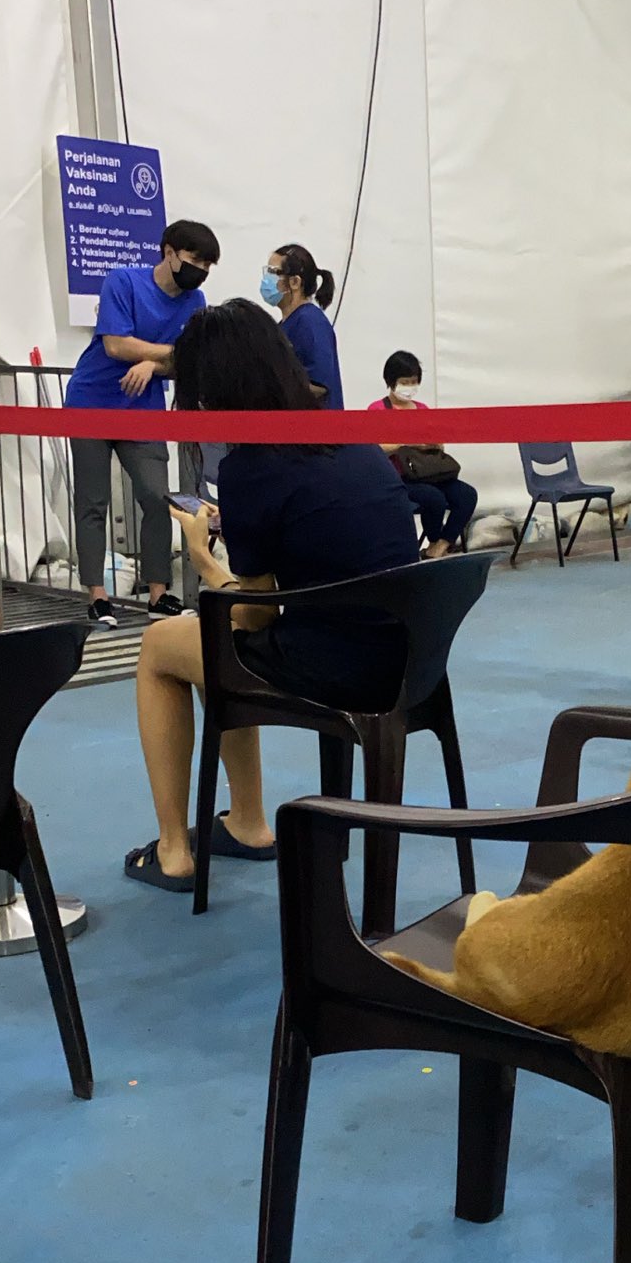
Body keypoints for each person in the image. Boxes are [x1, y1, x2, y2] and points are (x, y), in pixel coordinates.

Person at [124, 300, 419, 892]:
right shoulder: (350, 439)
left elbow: (253, 617)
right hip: (414, 655)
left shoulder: (251, 467)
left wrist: (205, 557)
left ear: (211, 394)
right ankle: (247, 822)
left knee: (162, 647)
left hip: (339, 666)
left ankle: (175, 848)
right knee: (211, 648)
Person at [65, 219, 220, 628]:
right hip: (91, 402)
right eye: (194, 259)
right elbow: (116, 344)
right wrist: (170, 355)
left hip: (144, 409)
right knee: (93, 502)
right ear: (169, 252)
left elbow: (194, 360)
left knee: (156, 498)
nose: (200, 269)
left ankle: (158, 594)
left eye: (208, 264)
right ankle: (97, 595)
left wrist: (152, 362)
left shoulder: (196, 300)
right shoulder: (123, 282)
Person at [369, 350, 477, 557]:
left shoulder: (423, 409)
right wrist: (406, 443)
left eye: (414, 382)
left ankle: (442, 545)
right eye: (404, 382)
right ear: (391, 381)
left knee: (466, 495)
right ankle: (434, 540)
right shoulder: (378, 410)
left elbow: (438, 447)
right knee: (433, 498)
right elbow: (373, 449)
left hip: (429, 473)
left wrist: (434, 444)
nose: (409, 387)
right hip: (400, 478)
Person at [260, 243, 343, 407]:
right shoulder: (285, 325)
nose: (266, 279)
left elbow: (319, 386)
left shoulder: (310, 322)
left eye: (273, 272)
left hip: (314, 426)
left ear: (295, 282)